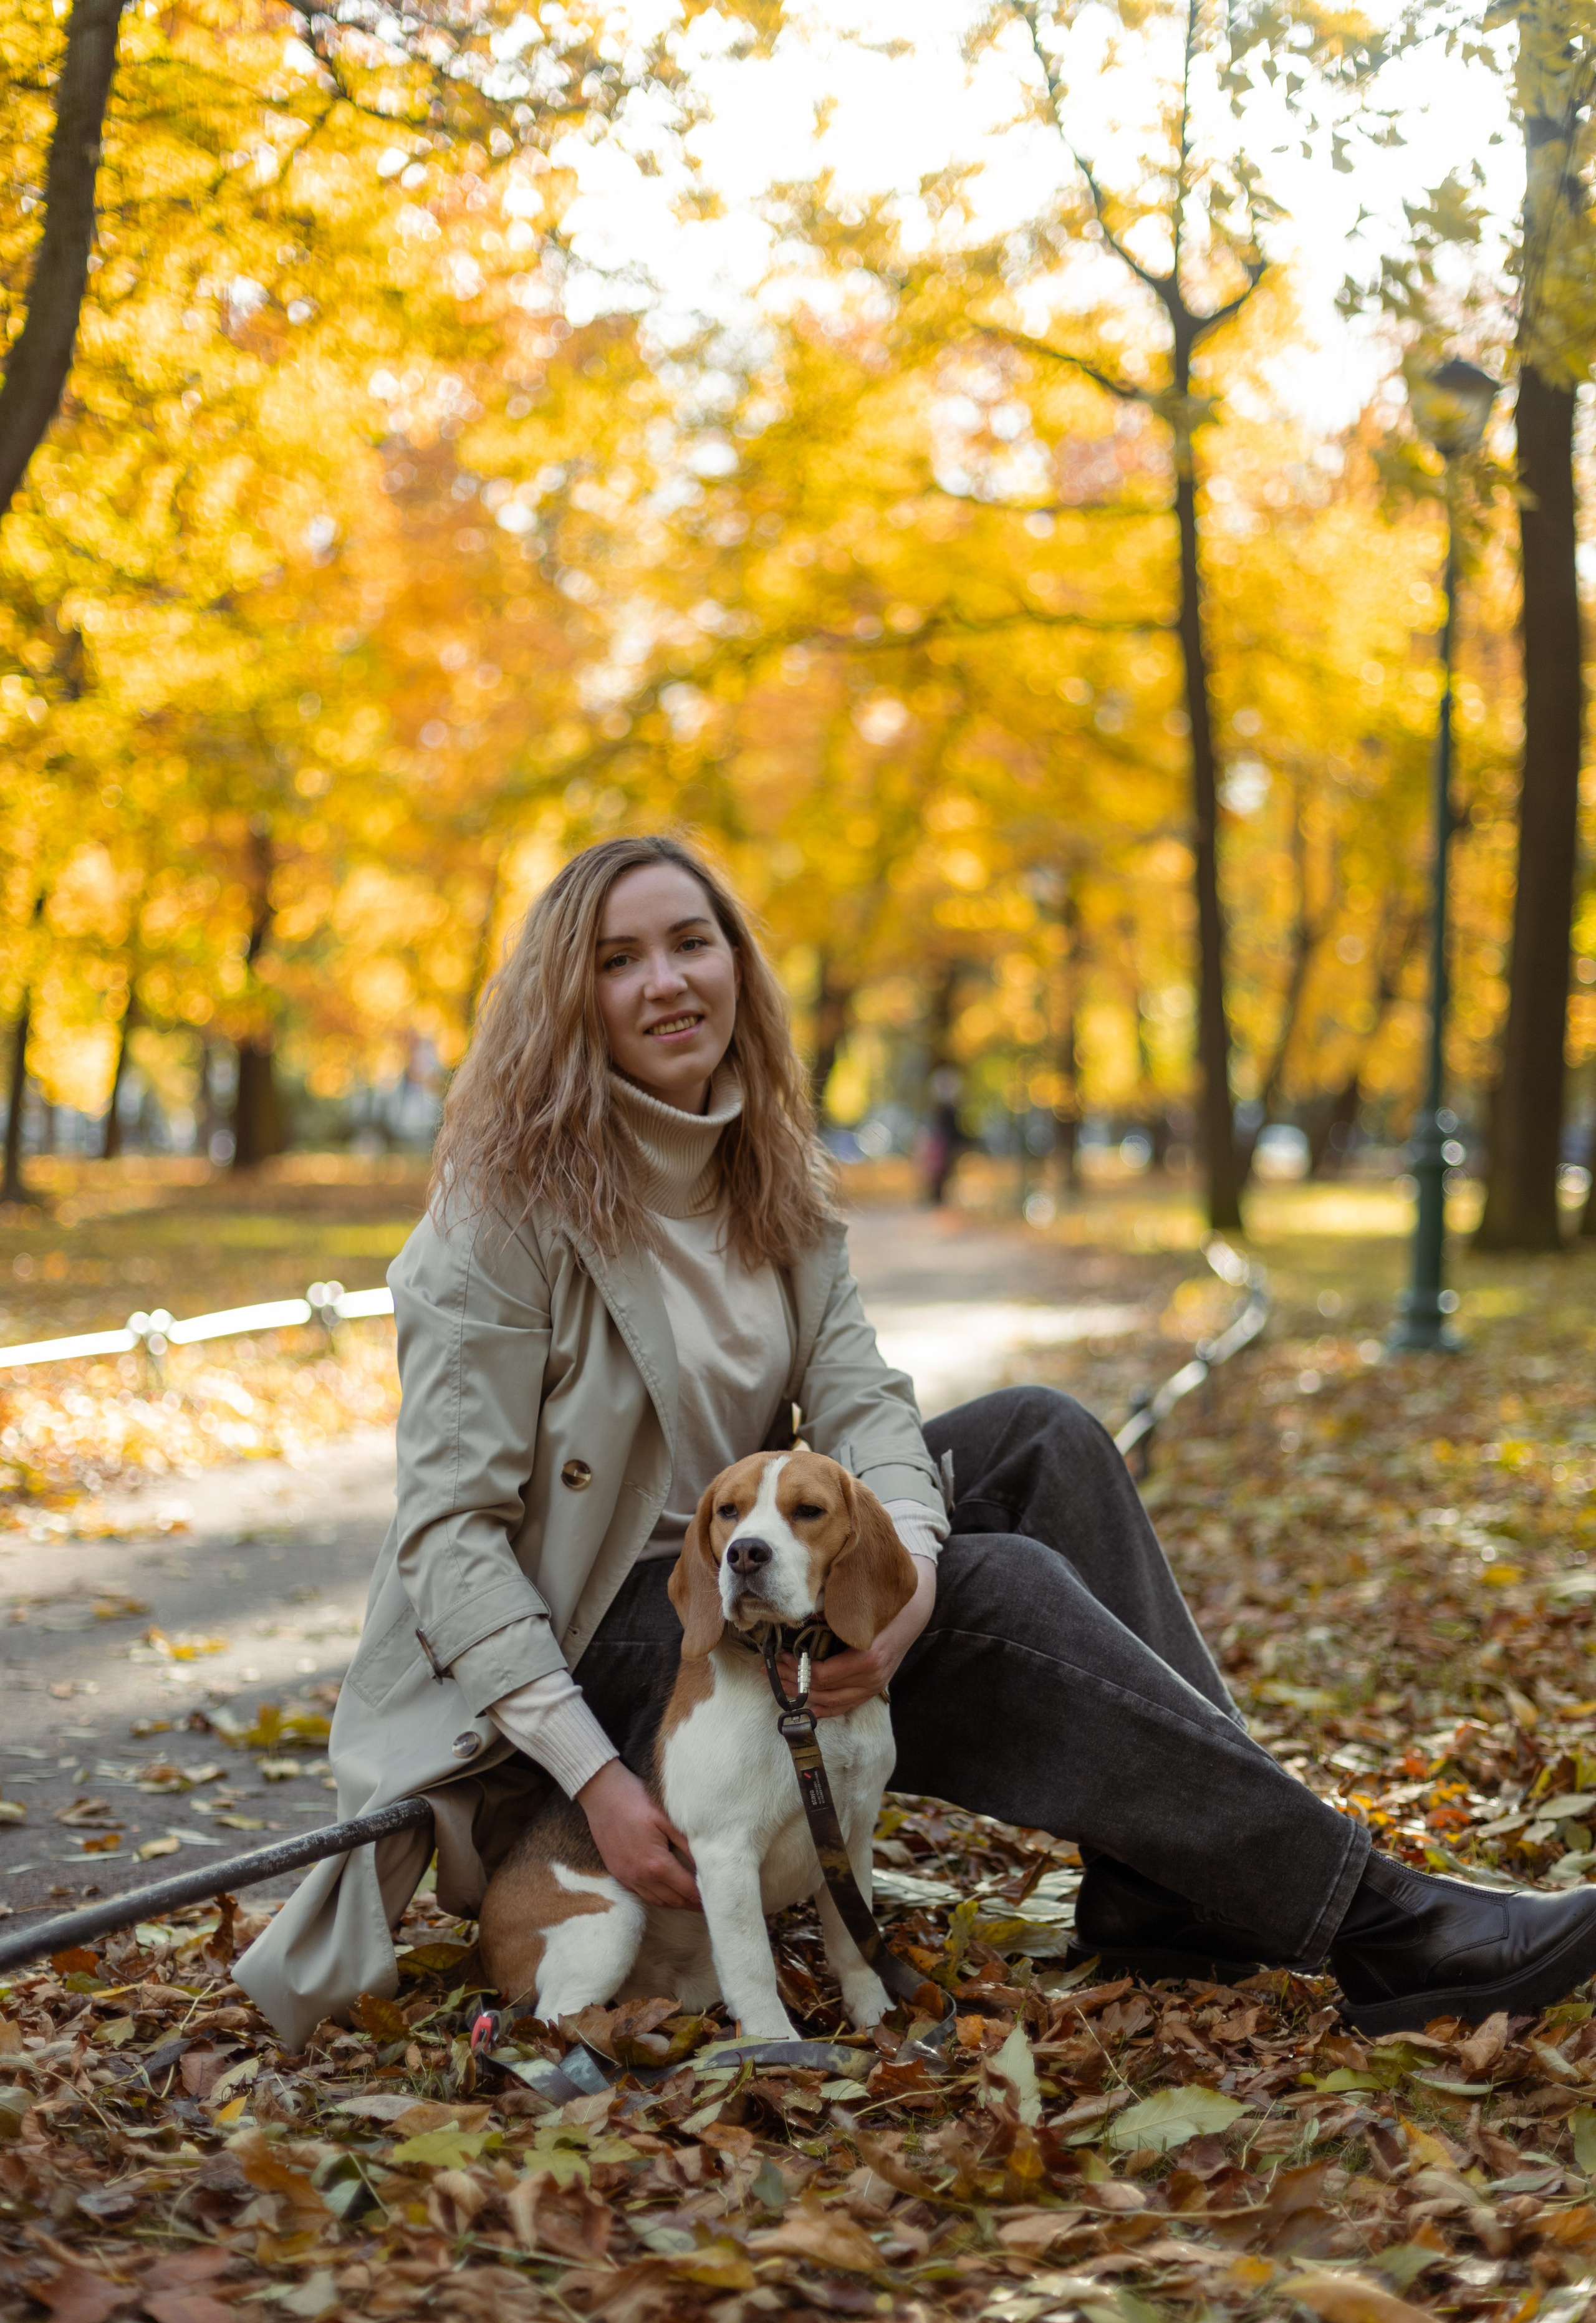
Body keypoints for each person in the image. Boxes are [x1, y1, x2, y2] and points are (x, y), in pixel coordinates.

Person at [236, 834, 1596, 2048]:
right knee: (1007, 1594)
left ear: (736, 965)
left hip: (761, 1571)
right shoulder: (498, 1215)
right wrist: (594, 1781)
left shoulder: (767, 1173)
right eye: (617, 959)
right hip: (589, 1658)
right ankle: (1375, 1921)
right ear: (565, 999)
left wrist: (913, 1587)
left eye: (691, 942)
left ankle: (1169, 1891)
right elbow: (448, 1542)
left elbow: (864, 1403)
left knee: (1043, 1438)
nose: (665, 983)